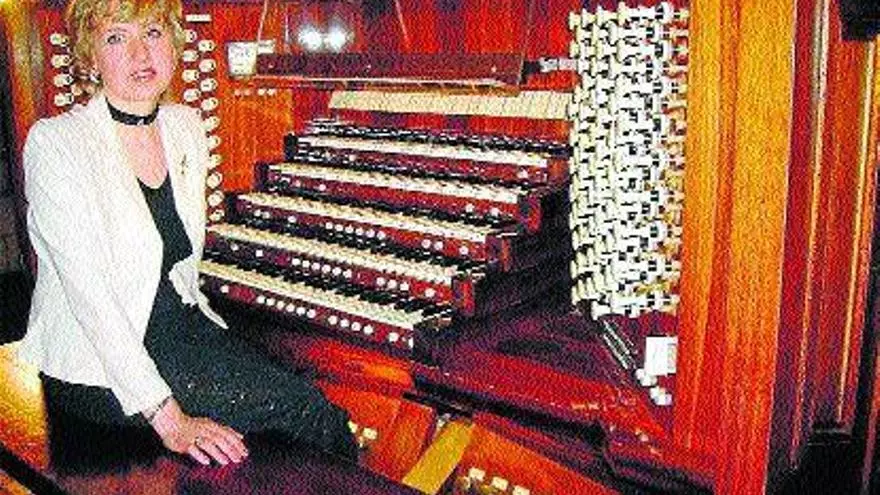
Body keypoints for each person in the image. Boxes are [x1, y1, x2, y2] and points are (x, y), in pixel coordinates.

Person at [20, 0, 357, 466]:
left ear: (174, 45)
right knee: (308, 412)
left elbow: (175, 263)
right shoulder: (57, 143)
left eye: (153, 33)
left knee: (302, 393)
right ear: (90, 56)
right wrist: (170, 420)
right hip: (97, 364)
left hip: (178, 323)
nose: (141, 54)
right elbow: (90, 299)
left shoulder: (185, 126)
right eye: (117, 37)